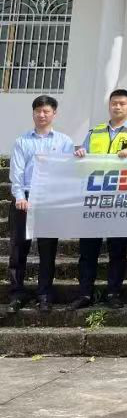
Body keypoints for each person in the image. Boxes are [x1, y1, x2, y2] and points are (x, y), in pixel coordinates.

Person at [71, 88, 127, 310]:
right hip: (94, 199)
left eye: (122, 103)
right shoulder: (95, 132)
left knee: (117, 250)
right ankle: (85, 293)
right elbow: (82, 161)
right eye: (114, 103)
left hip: (121, 199)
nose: (117, 107)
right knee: (88, 250)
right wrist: (80, 154)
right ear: (109, 105)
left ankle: (114, 293)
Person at [8, 95, 74, 313]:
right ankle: (17, 293)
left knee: (48, 250)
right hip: (24, 199)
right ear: (33, 113)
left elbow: (69, 171)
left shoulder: (64, 142)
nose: (42, 115)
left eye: (46, 111)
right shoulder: (22, 141)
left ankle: (44, 294)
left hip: (49, 200)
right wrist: (20, 197)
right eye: (38, 111)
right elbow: (16, 173)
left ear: (54, 113)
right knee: (18, 249)